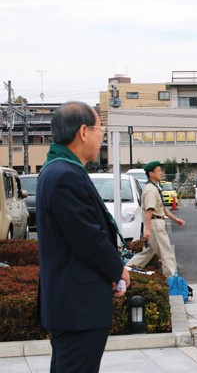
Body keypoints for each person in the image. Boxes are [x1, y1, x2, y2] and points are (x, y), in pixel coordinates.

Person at [36, 101, 130, 373]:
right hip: (78, 305)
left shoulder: (58, 169)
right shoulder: (64, 174)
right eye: (100, 130)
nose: (102, 137)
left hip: (72, 301)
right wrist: (117, 269)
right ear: (83, 131)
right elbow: (87, 237)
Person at [126, 161, 185, 278]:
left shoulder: (154, 188)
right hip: (155, 224)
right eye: (158, 171)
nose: (161, 173)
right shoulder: (150, 190)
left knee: (148, 253)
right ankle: (172, 280)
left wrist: (176, 219)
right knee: (166, 253)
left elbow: (163, 210)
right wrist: (147, 229)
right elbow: (149, 210)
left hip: (156, 222)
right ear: (151, 174)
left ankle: (126, 269)